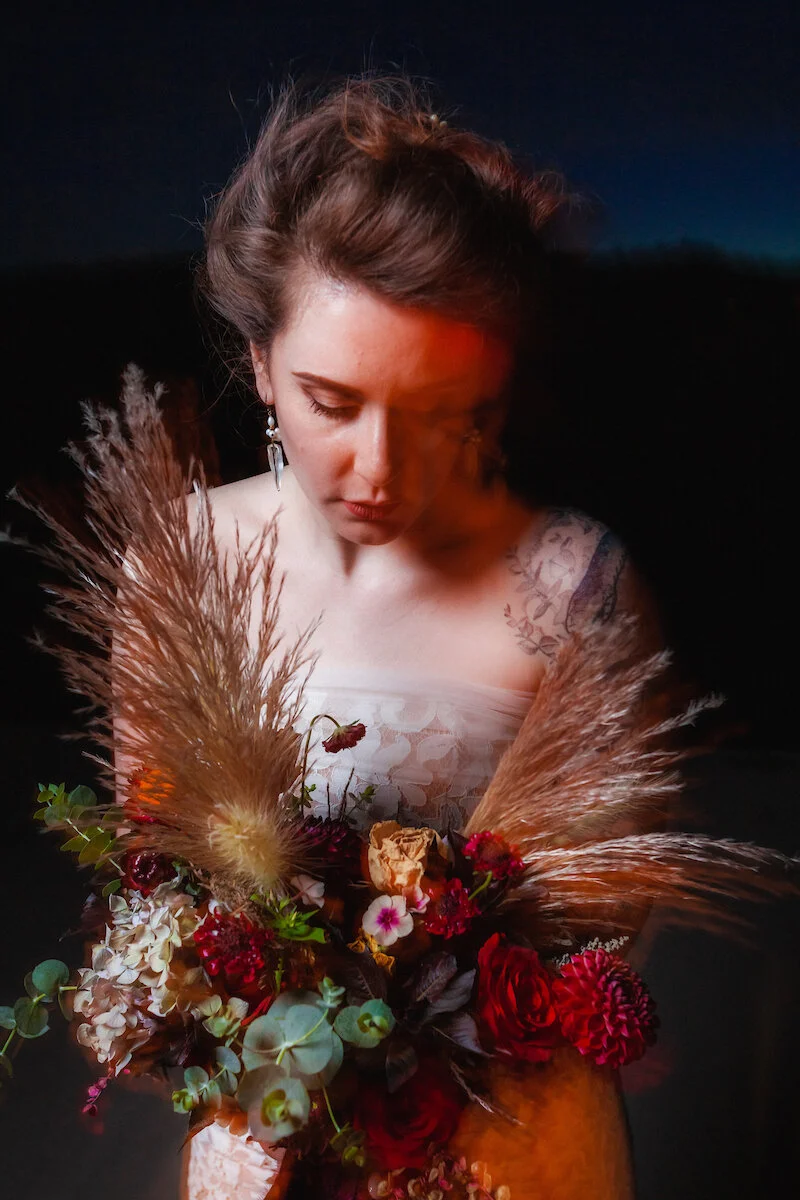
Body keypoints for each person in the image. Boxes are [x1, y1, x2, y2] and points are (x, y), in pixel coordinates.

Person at [168, 71, 664, 1199]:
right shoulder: (182, 561)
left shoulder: (572, 586)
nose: (379, 468)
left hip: (511, 1150)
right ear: (258, 364)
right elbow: (159, 878)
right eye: (332, 402)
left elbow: (603, 945)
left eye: (434, 410)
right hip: (267, 1137)